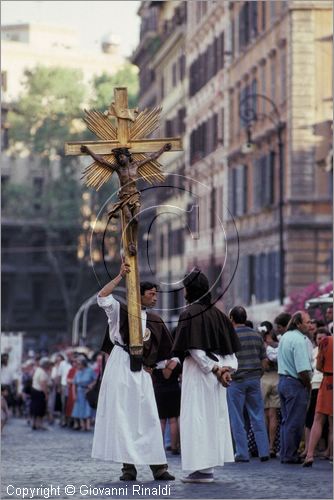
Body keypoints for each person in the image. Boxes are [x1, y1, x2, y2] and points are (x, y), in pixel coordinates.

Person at [92, 261, 175, 481]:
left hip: (143, 374)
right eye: (151, 293)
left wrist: (153, 366)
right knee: (123, 418)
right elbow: (102, 297)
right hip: (120, 366)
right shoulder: (121, 311)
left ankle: (159, 467)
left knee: (148, 417)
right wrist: (120, 276)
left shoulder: (156, 321)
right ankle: (128, 468)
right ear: (139, 294)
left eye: (156, 294)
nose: (155, 297)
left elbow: (165, 353)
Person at [172, 269, 241, 483]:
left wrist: (215, 369)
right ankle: (207, 469)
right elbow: (230, 353)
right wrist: (226, 369)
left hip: (200, 374)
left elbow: (195, 350)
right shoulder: (219, 315)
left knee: (197, 419)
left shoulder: (189, 314)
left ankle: (201, 469)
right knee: (213, 419)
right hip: (218, 378)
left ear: (189, 290)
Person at [81, 143, 172, 255]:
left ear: (127, 156)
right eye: (118, 157)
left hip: (134, 196)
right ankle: (130, 244)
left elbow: (152, 157)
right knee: (129, 218)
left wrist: (163, 148)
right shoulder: (118, 169)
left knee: (136, 219)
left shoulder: (136, 165)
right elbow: (101, 161)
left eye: (122, 156)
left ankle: (133, 241)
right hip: (124, 198)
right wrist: (89, 151)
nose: (120, 159)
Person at [227, 306, 270, 463]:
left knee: (237, 418)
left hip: (236, 381)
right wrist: (258, 374)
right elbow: (264, 360)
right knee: (258, 415)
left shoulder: (229, 336)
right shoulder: (257, 335)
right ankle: (264, 451)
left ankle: (242, 453)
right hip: (254, 379)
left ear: (231, 318)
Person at [277, 311, 313, 464]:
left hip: (283, 381)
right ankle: (290, 455)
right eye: (307, 322)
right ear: (298, 323)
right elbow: (302, 370)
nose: (310, 325)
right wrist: (308, 385)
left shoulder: (285, 337)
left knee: (286, 421)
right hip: (295, 383)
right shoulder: (299, 340)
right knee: (295, 422)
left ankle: (285, 453)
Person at [303, 333, 333, 466]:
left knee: (318, 419)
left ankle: (309, 455)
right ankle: (331, 454)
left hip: (327, 382)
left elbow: (319, 366)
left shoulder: (326, 341)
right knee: (332, 425)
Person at [260, 325, 280, 458]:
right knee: (273, 415)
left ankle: (265, 445)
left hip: (264, 379)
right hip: (277, 378)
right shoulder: (279, 346)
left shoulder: (263, 347)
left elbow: (263, 364)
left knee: (263, 414)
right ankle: (272, 446)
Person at [71, 356, 96, 431]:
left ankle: (87, 426)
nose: (77, 365)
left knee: (87, 408)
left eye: (79, 364)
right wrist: (74, 394)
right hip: (79, 391)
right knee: (80, 408)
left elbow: (95, 380)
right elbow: (74, 384)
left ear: (83, 364)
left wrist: (91, 385)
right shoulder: (77, 372)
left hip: (87, 391)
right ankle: (82, 425)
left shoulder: (90, 370)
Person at [30, 357, 50, 430]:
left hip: (34, 390)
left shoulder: (38, 370)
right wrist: (46, 394)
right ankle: (39, 424)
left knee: (35, 408)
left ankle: (34, 423)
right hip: (39, 392)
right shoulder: (42, 372)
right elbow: (43, 384)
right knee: (40, 409)